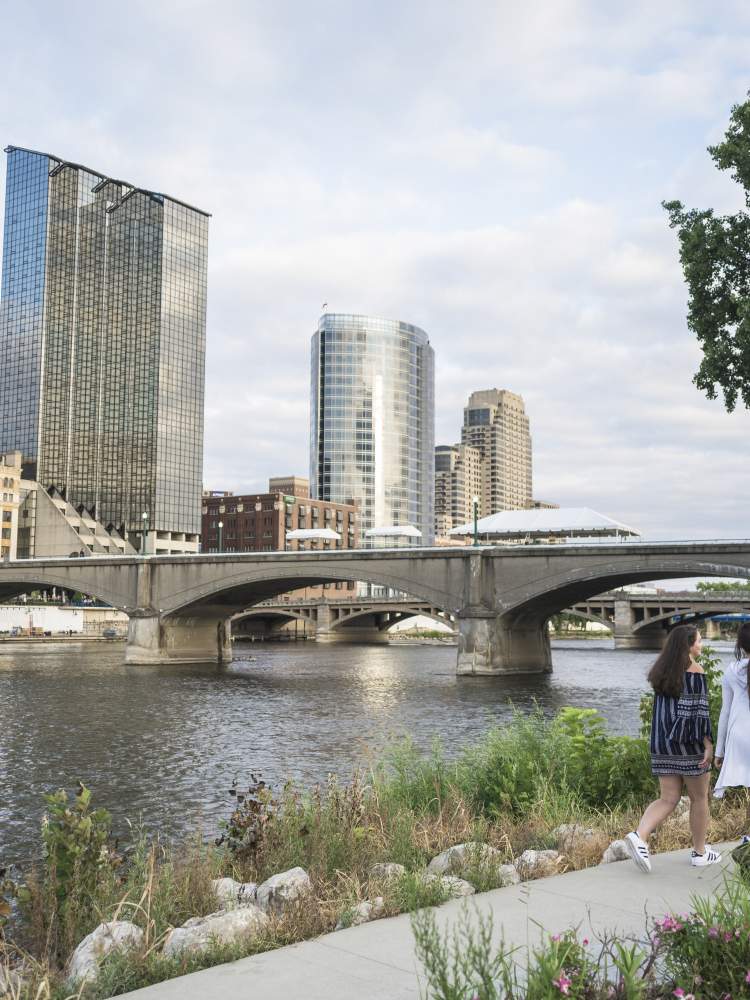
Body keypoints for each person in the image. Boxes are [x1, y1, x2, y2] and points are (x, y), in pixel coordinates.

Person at [625, 624, 721, 872]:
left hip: (662, 742)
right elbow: (699, 713)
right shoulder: (695, 671)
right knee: (699, 798)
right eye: (699, 641)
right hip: (688, 744)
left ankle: (640, 836)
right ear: (688, 645)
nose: (701, 645)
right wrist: (708, 744)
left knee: (667, 798)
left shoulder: (661, 672)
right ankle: (700, 852)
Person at [713, 623, 750, 837]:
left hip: (738, 735)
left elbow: (725, 712)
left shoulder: (732, 670)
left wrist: (719, 752)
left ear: (741, 645)